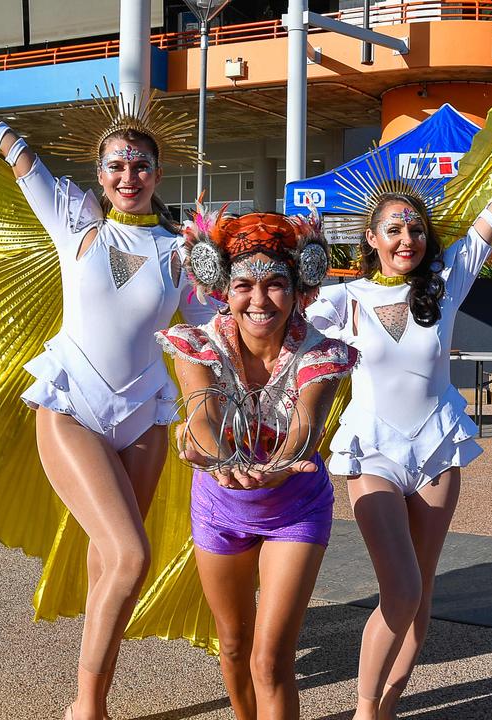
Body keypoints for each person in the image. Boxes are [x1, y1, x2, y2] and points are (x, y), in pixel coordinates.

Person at [0, 52, 211, 720]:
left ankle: (90, 695)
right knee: (131, 554)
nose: (129, 174)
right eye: (117, 165)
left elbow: (222, 327)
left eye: (141, 165)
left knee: (114, 565)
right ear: (99, 175)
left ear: (159, 174)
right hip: (73, 406)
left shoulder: (184, 248)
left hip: (143, 419)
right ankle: (86, 708)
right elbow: (13, 146)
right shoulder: (74, 219)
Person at [307, 130, 492, 720]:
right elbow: (271, 316)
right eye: (394, 229)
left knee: (419, 593)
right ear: (371, 240)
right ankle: (364, 710)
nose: (407, 238)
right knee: (398, 589)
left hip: (436, 452)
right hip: (372, 452)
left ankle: (390, 705)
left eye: (416, 229)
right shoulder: (342, 300)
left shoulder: (446, 283)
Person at [160, 208, 355, 720]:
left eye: (275, 284)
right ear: (224, 287)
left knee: (270, 659)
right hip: (219, 509)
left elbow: (306, 424)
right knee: (231, 646)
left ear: (298, 288)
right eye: (244, 284)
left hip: (295, 508)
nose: (259, 299)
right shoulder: (198, 344)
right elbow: (202, 415)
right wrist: (220, 459)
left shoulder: (321, 353)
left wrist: (282, 465)